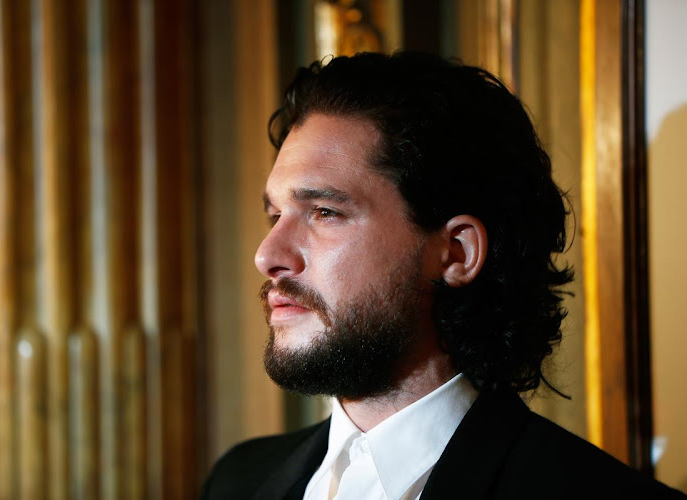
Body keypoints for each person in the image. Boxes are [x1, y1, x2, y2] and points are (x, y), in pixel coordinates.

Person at [200, 51, 684, 499]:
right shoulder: (238, 479)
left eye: (324, 212)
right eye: (275, 215)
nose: (267, 255)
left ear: (456, 252)